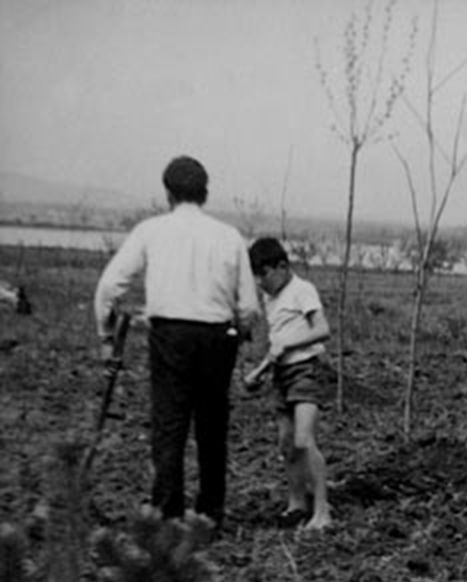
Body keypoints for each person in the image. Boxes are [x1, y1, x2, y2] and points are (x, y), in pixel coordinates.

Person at [94, 155, 259, 528]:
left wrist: (106, 335)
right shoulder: (228, 236)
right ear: (205, 192)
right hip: (218, 337)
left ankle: (167, 514)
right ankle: (209, 514)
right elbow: (248, 305)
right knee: (212, 426)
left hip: (170, 337)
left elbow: (109, 286)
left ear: (167, 193)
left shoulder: (151, 231)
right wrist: (243, 328)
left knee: (169, 424)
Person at [244, 237, 333, 531]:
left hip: (306, 370)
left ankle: (322, 511)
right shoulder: (271, 299)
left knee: (304, 440)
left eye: (264, 275)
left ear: (281, 267)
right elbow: (277, 345)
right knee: (286, 443)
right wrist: (259, 372)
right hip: (282, 374)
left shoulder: (302, 290)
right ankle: (297, 504)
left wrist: (288, 345)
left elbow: (322, 329)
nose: (261, 284)